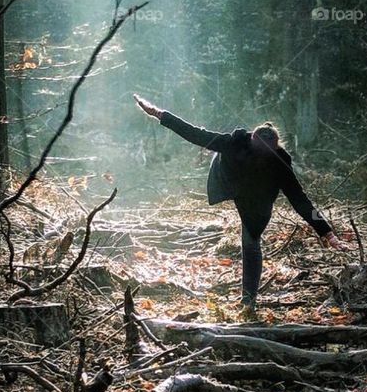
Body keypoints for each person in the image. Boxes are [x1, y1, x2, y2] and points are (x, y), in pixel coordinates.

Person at [133, 95, 342, 316]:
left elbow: (299, 198)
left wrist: (326, 232)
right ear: (251, 139)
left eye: (266, 154)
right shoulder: (233, 143)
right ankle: (248, 300)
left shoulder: (280, 161)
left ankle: (248, 302)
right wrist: (159, 114)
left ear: (275, 148)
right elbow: (195, 134)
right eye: (258, 151)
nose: (261, 157)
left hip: (256, 198)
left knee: (251, 243)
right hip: (228, 179)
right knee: (217, 154)